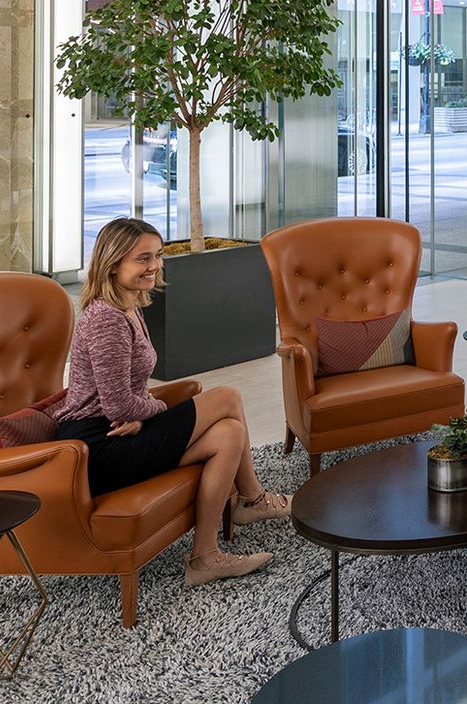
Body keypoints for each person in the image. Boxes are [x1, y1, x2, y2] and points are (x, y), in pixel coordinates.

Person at [52, 218, 289, 587]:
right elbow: (118, 408)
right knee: (227, 397)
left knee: (229, 433)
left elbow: (128, 396)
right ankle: (253, 500)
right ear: (114, 263)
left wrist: (140, 411)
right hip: (96, 447)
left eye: (158, 256)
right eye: (143, 259)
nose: (155, 265)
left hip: (119, 432)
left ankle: (205, 557)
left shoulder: (130, 306)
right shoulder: (106, 319)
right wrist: (156, 411)